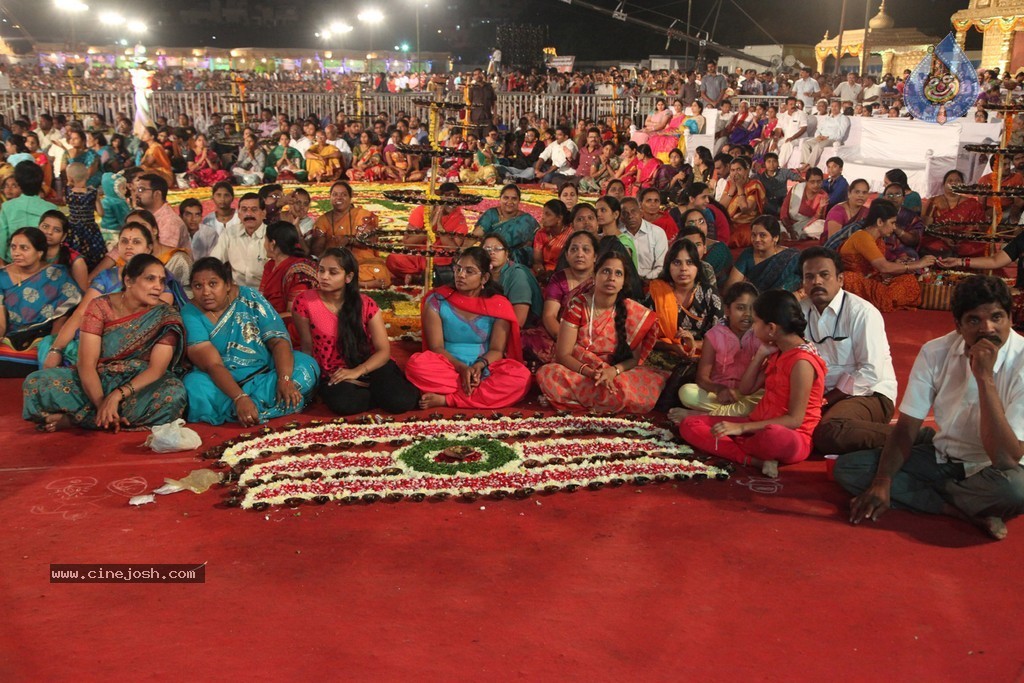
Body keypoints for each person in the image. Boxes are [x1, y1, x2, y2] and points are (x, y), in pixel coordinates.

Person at [837, 276, 1024, 540]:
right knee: (849, 469)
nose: (988, 329)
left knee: (1016, 491)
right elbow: (906, 427)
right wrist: (883, 482)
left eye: (997, 317)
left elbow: (1006, 459)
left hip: (995, 471)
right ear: (958, 326)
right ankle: (958, 508)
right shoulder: (936, 352)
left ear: (1010, 319)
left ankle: (936, 496)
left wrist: (985, 378)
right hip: (944, 456)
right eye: (974, 320)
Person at [22, 254, 186, 432]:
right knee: (36, 383)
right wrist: (101, 403)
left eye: (162, 281)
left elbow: (157, 369)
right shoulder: (100, 306)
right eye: (150, 279)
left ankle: (75, 420)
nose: (158, 287)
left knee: (173, 394)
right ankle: (105, 417)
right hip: (98, 379)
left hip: (139, 384)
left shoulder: (166, 315)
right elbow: (86, 364)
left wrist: (116, 396)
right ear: (129, 281)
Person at [678, 289, 827, 478]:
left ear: (771, 328)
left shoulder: (802, 362)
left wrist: (740, 429)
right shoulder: (778, 351)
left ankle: (739, 446)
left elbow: (795, 420)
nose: (752, 326)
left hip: (791, 435)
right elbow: (745, 389)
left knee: (773, 437)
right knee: (690, 423)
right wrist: (760, 356)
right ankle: (754, 460)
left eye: (756, 322)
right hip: (755, 424)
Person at [183, 257, 320, 426]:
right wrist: (239, 397)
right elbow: (213, 365)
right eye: (198, 286)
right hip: (223, 384)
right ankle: (266, 406)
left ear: (227, 284)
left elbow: (278, 341)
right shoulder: (190, 313)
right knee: (194, 386)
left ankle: (247, 410)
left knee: (306, 365)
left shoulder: (249, 297)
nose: (205, 292)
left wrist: (284, 379)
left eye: (213, 284)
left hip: (265, 374)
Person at [536, 250, 665, 414]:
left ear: (623, 281)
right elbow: (563, 355)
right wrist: (591, 373)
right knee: (548, 374)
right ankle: (610, 402)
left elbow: (633, 359)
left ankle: (576, 400)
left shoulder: (633, 312)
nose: (611, 277)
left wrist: (612, 371)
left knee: (644, 383)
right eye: (606, 271)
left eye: (618, 274)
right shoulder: (578, 306)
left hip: (615, 374)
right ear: (594, 275)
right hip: (581, 371)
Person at [294, 248, 419, 415]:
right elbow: (307, 347)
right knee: (345, 404)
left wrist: (357, 371)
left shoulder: (366, 304)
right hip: (334, 373)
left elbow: (383, 351)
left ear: (348, 277)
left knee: (402, 402)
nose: (324, 276)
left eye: (333, 272)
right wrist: (312, 383)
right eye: (321, 270)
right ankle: (377, 392)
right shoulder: (304, 302)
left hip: (370, 366)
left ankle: (374, 389)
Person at [799, 247, 899, 454]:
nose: (816, 282)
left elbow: (871, 372)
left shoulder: (862, 313)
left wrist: (826, 401)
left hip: (869, 394)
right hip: (822, 396)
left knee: (830, 432)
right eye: (809, 277)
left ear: (841, 279)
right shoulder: (800, 311)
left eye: (824, 275)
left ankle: (909, 436)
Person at [405, 247, 531, 409]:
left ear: (484, 278)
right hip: (448, 366)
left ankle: (447, 399)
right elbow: (436, 347)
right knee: (417, 365)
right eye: (458, 269)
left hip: (485, 369)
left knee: (521, 377)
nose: (460, 275)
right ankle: (476, 395)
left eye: (469, 271)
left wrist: (478, 367)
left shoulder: (499, 305)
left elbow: (497, 350)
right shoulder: (437, 300)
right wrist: (462, 368)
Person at [41, 223, 176, 370]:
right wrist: (56, 350)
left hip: (132, 349)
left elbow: (156, 321)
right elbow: (81, 313)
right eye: (124, 241)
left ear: (148, 248)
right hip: (91, 340)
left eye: (136, 242)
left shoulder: (158, 280)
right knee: (48, 345)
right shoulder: (107, 277)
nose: (129, 246)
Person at [672, 282, 764, 417]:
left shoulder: (760, 334)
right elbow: (702, 378)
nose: (747, 314)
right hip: (718, 396)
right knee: (686, 392)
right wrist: (720, 389)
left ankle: (700, 416)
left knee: (762, 399)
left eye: (752, 309)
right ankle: (732, 414)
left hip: (747, 394)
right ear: (727, 310)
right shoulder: (713, 335)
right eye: (740, 308)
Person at [0, 227, 81, 376]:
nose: (16, 253)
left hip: (44, 336)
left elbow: (62, 316)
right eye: (13, 247)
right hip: (10, 336)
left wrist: (53, 345)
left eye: (24, 248)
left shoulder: (56, 274)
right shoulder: (2, 277)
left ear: (39, 253)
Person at [839, 199, 935, 312]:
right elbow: (884, 267)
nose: (894, 228)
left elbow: (880, 269)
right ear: (880, 222)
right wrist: (917, 264)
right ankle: (881, 301)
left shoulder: (878, 239)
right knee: (878, 290)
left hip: (872, 280)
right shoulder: (862, 237)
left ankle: (882, 299)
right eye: (892, 223)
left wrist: (896, 266)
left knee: (908, 280)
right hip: (855, 281)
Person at [522, 230, 598, 365]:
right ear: (567, 255)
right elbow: (549, 315)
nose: (580, 254)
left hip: (593, 336)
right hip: (560, 334)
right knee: (526, 338)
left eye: (586, 250)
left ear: (595, 256)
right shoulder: (559, 278)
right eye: (574, 249)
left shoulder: (601, 280)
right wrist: (566, 341)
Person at [648, 239, 723, 359]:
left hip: (704, 357)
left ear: (697, 267)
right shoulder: (657, 292)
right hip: (664, 356)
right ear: (668, 266)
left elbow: (722, 338)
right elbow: (646, 337)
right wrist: (672, 347)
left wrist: (693, 344)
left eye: (689, 262)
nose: (683, 268)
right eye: (677, 263)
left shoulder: (709, 294)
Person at [309, 181, 389, 289]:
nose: (339, 198)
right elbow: (317, 251)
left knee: (379, 271)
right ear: (330, 197)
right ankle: (361, 283)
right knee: (323, 271)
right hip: (335, 263)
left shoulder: (363, 215)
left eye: (344, 194)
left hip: (362, 262)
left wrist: (349, 240)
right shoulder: (323, 220)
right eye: (335, 194)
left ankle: (345, 282)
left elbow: (370, 240)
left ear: (351, 197)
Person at [385, 182, 469, 285]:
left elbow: (453, 249)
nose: (452, 200)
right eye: (447, 196)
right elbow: (407, 243)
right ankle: (423, 277)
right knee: (394, 258)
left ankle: (418, 278)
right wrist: (429, 227)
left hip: (439, 258)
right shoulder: (422, 211)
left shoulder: (459, 218)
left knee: (451, 262)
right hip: (419, 254)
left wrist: (440, 228)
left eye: (455, 196)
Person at [259, 221, 317, 339]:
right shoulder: (270, 266)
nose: (263, 244)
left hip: (290, 329)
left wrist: (265, 323)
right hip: (268, 322)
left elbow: (295, 313)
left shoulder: (298, 270)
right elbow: (261, 299)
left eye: (265, 240)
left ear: (272, 244)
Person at [0, 162, 58, 264]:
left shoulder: (7, 207)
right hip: (41, 262)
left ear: (18, 183)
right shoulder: (51, 208)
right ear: (41, 182)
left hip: (14, 260)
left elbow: (2, 238)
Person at [725, 215, 801, 293]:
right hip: (753, 302)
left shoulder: (792, 257)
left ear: (775, 238)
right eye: (754, 235)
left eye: (762, 235)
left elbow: (805, 284)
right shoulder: (747, 255)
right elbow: (729, 289)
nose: (756, 239)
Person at [921, 169, 987, 257]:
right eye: (950, 181)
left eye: (957, 181)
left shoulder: (972, 204)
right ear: (944, 184)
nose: (953, 183)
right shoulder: (933, 201)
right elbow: (926, 227)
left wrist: (966, 235)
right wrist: (943, 238)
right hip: (939, 239)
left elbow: (981, 227)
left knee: (978, 247)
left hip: (964, 241)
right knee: (936, 247)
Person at [473, 184, 540, 268]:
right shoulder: (491, 214)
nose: (510, 202)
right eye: (506, 198)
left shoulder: (527, 220)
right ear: (500, 199)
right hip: (491, 259)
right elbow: (475, 235)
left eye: (514, 199)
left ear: (519, 201)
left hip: (518, 262)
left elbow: (536, 242)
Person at [484, 233, 542, 328]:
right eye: (487, 249)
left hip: (514, 329)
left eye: (497, 249)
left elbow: (519, 321)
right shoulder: (481, 273)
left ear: (506, 253)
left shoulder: (517, 274)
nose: (492, 253)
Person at [63, 162, 107, 270]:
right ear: (87, 175)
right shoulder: (93, 193)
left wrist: (69, 183)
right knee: (93, 255)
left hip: (72, 230)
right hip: (90, 231)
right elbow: (101, 213)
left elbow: (65, 202)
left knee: (73, 256)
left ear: (69, 177)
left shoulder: (68, 192)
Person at [135, 173, 191, 252]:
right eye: (136, 189)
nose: (136, 193)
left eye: (141, 190)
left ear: (157, 194)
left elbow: (163, 256)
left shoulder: (170, 222)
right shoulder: (139, 213)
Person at [720, 156, 766, 248]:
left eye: (739, 169)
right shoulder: (730, 184)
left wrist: (740, 188)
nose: (735, 173)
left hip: (748, 224)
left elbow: (746, 209)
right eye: (732, 170)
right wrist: (733, 189)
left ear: (747, 171)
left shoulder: (754, 185)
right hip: (731, 223)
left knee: (735, 238)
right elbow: (721, 207)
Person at [620, 196, 667, 281]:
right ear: (620, 217)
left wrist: (645, 279)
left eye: (633, 211)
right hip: (624, 283)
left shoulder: (657, 233)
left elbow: (661, 266)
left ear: (641, 212)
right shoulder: (619, 235)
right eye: (625, 213)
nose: (630, 216)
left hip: (651, 282)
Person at [39, 210, 88, 291]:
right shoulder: (29, 253)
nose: (49, 232)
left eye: (56, 230)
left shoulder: (75, 261)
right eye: (45, 226)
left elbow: (83, 294)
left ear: (63, 236)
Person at [194, 181, 240, 260]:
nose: (222, 199)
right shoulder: (208, 220)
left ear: (232, 198)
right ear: (213, 197)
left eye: (226, 195)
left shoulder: (239, 217)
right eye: (218, 195)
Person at [880, 182, 924, 260]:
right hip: (880, 250)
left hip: (904, 252)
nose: (893, 197)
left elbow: (914, 240)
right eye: (889, 195)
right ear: (884, 198)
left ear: (903, 198)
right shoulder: (877, 214)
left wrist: (895, 228)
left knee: (911, 255)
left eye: (897, 195)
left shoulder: (912, 217)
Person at [800, 100, 850, 170]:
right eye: (832, 106)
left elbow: (840, 134)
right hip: (821, 138)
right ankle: (804, 165)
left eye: (836, 106)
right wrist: (818, 136)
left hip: (833, 139)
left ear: (840, 107)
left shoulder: (844, 118)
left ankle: (808, 166)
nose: (834, 108)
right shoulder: (828, 118)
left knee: (818, 146)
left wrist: (826, 137)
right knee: (806, 144)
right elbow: (818, 129)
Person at [781, 167, 829, 240]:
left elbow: (818, 219)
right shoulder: (796, 188)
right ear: (806, 181)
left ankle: (794, 234)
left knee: (823, 226)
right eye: (812, 182)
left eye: (819, 182)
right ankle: (791, 234)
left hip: (807, 225)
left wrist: (821, 209)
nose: (816, 185)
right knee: (773, 225)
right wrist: (790, 229)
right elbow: (784, 210)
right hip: (789, 223)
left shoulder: (823, 195)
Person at [532, 199, 572, 275]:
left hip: (567, 274)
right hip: (545, 273)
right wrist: (542, 273)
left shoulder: (572, 234)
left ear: (559, 218)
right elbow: (537, 263)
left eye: (547, 214)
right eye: (543, 213)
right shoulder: (541, 233)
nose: (543, 217)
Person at [824, 177, 870, 243]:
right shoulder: (837, 212)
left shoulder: (867, 212)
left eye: (864, 192)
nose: (861, 195)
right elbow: (833, 241)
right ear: (849, 194)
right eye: (857, 192)